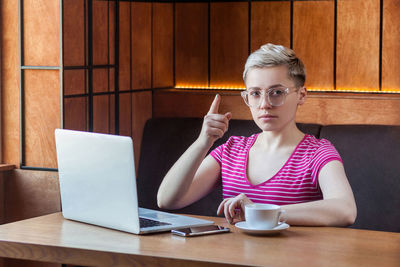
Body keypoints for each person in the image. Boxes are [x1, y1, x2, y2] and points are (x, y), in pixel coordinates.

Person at [157, 43, 357, 226]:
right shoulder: (231, 151)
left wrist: (260, 211)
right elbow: (167, 200)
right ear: (246, 97)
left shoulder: (317, 153)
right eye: (255, 93)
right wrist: (203, 142)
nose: (264, 104)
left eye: (277, 92)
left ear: (301, 95)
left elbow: (345, 210)